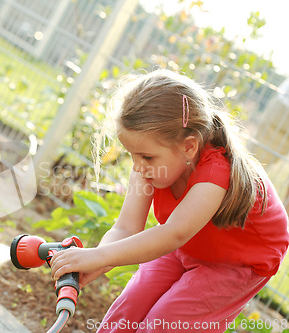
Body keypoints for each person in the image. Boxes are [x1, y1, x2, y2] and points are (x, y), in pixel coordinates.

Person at [50, 69, 289, 332]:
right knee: (129, 306)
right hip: (192, 243)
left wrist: (98, 256)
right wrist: (100, 259)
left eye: (146, 157)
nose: (137, 167)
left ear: (189, 147)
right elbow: (126, 228)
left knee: (164, 322)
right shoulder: (151, 163)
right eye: (132, 155)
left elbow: (174, 234)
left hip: (237, 261)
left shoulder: (215, 173)